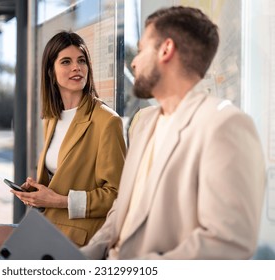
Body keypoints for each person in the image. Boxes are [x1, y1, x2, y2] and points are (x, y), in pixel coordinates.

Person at [80, 6, 266, 260]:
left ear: (166, 50)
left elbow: (227, 243)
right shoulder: (144, 123)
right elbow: (122, 209)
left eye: (142, 49)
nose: (134, 61)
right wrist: (81, 258)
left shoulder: (225, 125)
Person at [0, 31, 126, 260]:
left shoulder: (107, 121)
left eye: (81, 61)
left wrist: (58, 200)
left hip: (77, 236)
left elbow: (117, 195)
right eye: (66, 61)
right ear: (51, 73)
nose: (76, 67)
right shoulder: (52, 118)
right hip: (46, 223)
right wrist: (36, 192)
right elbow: (61, 177)